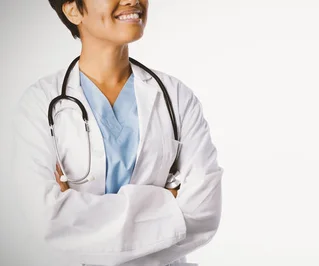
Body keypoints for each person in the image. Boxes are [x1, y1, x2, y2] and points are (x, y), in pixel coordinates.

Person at [10, 0, 223, 265]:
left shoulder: (177, 97)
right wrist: (166, 206)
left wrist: (80, 222)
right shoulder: (40, 102)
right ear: (73, 10)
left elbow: (203, 213)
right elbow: (44, 222)